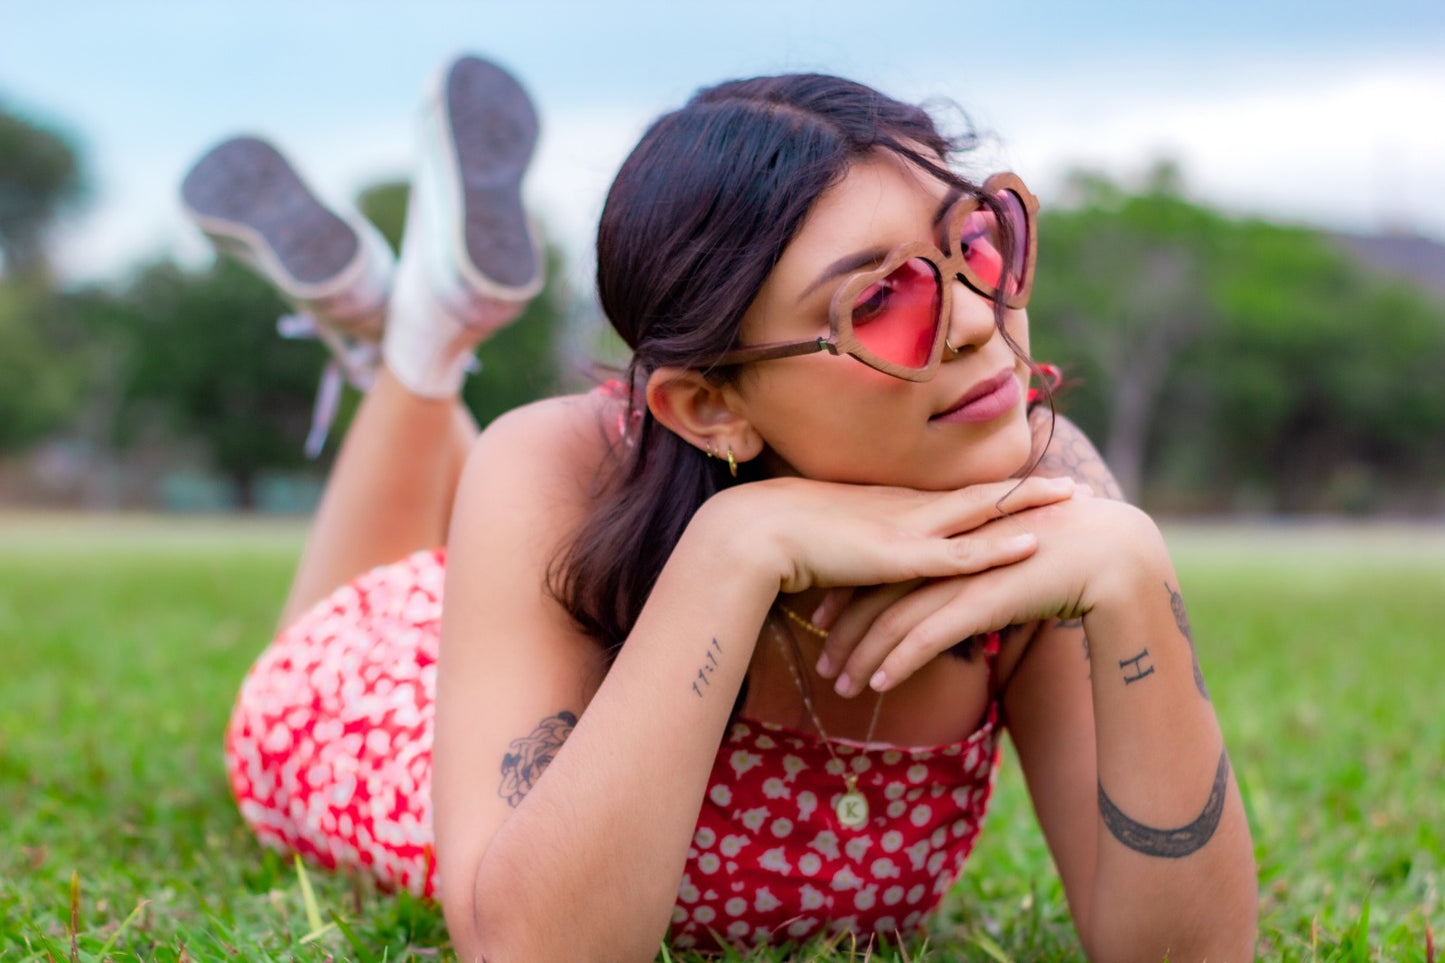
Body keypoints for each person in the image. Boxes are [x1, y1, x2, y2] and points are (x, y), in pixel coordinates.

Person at [185, 54, 1258, 962]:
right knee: (324, 627)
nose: (978, 320)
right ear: (707, 406)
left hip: (586, 554)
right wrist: (738, 547)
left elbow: (1186, 954)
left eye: (973, 241)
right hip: (402, 700)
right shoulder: (560, 467)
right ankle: (416, 341)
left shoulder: (1041, 497)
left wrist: (1133, 578)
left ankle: (409, 324)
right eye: (876, 299)